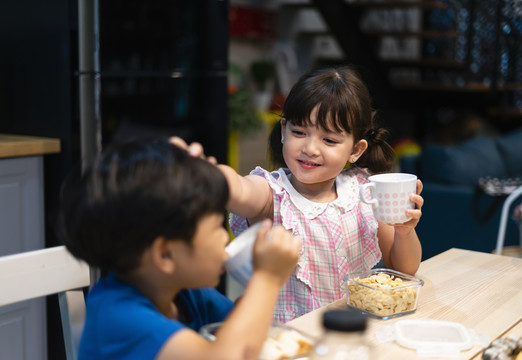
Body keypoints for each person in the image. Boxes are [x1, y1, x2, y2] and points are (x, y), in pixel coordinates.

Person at [57, 138, 300, 360]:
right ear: (165, 255)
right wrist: (266, 279)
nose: (224, 238)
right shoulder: (120, 317)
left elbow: (237, 331)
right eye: (217, 226)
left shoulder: (185, 293)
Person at [218, 66, 424, 323]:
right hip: (286, 339)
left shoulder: (364, 191)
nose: (310, 148)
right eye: (299, 132)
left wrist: (405, 231)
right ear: (283, 130)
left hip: (348, 333)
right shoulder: (273, 193)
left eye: (329, 140)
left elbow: (403, 269)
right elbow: (240, 190)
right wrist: (212, 174)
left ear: (356, 150)